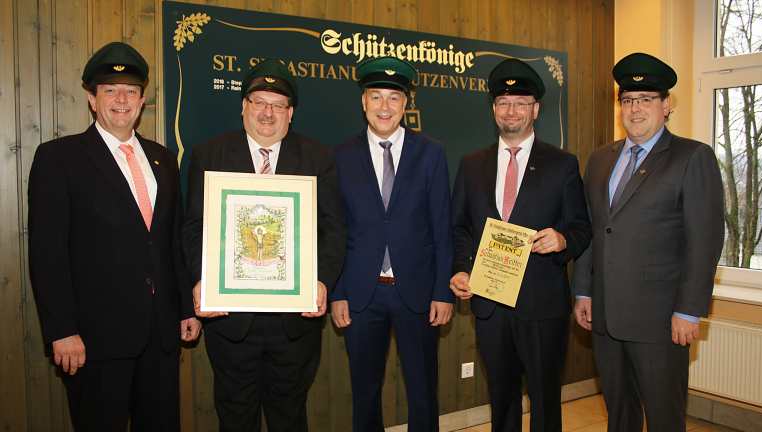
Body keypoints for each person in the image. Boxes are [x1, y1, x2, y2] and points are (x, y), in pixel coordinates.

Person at [27, 41, 200, 431]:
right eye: (110, 90)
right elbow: (47, 252)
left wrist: (185, 307)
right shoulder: (59, 158)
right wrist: (62, 330)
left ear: (142, 100)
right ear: (92, 98)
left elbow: (169, 240)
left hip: (160, 337)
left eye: (131, 91)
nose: (122, 99)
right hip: (94, 340)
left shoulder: (163, 159)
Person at [182, 59, 346, 432]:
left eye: (277, 105)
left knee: (289, 416)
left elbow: (334, 229)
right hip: (231, 322)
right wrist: (200, 279)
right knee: (235, 417)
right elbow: (193, 228)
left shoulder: (318, 157)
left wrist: (321, 282)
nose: (267, 113)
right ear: (244, 107)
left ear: (291, 114)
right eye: (259, 102)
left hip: (294, 325)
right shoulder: (209, 155)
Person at [572, 52, 725, 432]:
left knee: (663, 416)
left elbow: (704, 239)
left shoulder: (692, 157)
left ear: (666, 105)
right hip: (606, 318)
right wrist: (583, 291)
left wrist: (690, 310)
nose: (635, 108)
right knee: (618, 414)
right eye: (627, 100)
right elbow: (594, 230)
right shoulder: (600, 160)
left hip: (660, 321)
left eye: (646, 99)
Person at [450, 58, 591, 432]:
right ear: (494, 109)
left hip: (541, 305)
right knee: (501, 396)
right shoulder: (471, 164)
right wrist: (462, 268)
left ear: (536, 109)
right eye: (503, 103)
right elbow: (459, 226)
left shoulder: (562, 164)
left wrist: (562, 239)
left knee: (545, 400)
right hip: (490, 304)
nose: (511, 110)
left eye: (521, 103)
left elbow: (581, 227)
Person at [330, 56, 454, 432]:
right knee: (364, 390)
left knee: (422, 389)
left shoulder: (430, 153)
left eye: (394, 98)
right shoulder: (340, 156)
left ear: (406, 104)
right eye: (376, 97)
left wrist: (443, 292)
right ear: (363, 102)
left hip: (416, 292)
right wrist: (337, 292)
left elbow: (441, 227)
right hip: (360, 294)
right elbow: (334, 230)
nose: (385, 107)